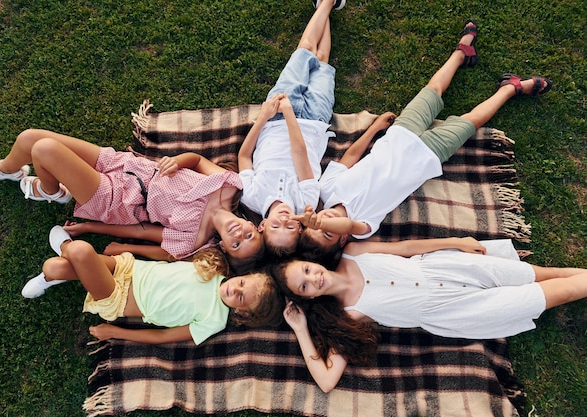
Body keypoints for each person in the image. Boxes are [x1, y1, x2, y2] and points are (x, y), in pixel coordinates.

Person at [294, 19, 553, 265]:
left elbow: (349, 158)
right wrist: (320, 225)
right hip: (428, 154)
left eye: (318, 224)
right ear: (342, 239)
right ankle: (510, 88)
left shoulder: (326, 192)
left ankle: (462, 53)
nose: (324, 221)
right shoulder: (363, 226)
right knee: (471, 120)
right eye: (327, 232)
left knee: (433, 90)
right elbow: (348, 225)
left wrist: (374, 129)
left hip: (400, 134)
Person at [269, 238, 587, 392]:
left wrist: (455, 242)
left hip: (446, 266)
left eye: (307, 271)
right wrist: (299, 329)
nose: (313, 279)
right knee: (553, 294)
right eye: (305, 286)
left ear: (312, 261)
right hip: (453, 310)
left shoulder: (353, 252)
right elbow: (326, 381)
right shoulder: (347, 316)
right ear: (306, 297)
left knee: (545, 275)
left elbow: (407, 247)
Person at [0, 130, 264, 267]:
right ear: (253, 225)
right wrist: (178, 161)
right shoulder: (230, 185)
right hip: (129, 166)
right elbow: (197, 160)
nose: (239, 236)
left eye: (236, 246)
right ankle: (5, 171)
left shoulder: (194, 240)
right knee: (29, 138)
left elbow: (142, 233)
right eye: (249, 236)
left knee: (44, 150)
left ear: (225, 247)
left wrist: (90, 229)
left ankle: (51, 191)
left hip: (118, 200)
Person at [22, 226, 283, 345]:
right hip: (128, 268)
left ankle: (66, 247)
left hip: (119, 298)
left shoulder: (214, 320)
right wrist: (127, 248)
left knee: (79, 252)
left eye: (239, 297)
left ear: (242, 312)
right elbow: (169, 257)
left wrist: (115, 332)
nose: (233, 289)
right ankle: (52, 276)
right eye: (241, 283)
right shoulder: (216, 268)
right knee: (54, 268)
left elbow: (163, 336)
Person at [237, 0, 345, 259]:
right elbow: (299, 153)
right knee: (321, 61)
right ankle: (325, 5)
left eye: (276, 226)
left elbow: (243, 157)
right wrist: (289, 113)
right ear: (300, 227)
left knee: (305, 50)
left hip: (274, 117)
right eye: (291, 227)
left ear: (262, 226)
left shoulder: (250, 197)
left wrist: (263, 117)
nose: (284, 219)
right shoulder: (306, 201)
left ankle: (327, 3)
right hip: (314, 122)